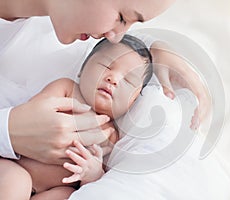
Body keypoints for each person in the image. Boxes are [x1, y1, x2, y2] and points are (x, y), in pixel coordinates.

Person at [0, 0, 176, 165]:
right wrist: (8, 131)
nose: (115, 38)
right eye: (122, 18)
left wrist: (155, 48)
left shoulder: (65, 31)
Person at [0, 34, 153, 200]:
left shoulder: (111, 135)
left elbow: (99, 183)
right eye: (106, 66)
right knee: (18, 182)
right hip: (14, 166)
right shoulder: (66, 89)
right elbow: (31, 114)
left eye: (128, 80)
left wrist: (92, 173)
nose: (113, 79)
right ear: (82, 69)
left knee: (68, 195)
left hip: (57, 187)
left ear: (133, 100)